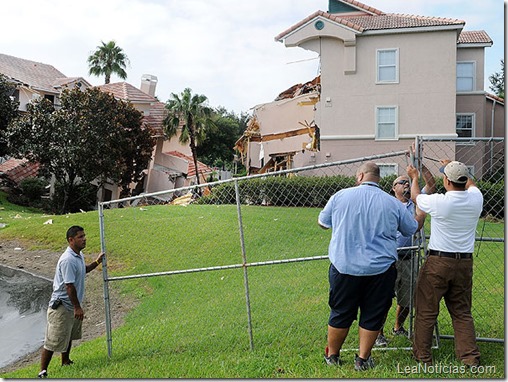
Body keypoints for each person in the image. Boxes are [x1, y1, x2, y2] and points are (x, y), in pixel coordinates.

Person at [318, 161, 425, 371]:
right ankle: (362, 359)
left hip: (344, 267)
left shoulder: (340, 196)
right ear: (379, 179)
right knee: (373, 313)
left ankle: (332, 355)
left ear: (360, 176)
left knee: (340, 312)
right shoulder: (392, 203)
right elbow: (411, 227)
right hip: (380, 270)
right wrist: (420, 213)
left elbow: (323, 223)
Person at [408, 160, 483, 366]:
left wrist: (414, 177)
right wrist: (455, 166)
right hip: (464, 263)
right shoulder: (476, 199)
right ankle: (469, 358)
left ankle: (423, 357)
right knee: (461, 311)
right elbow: (472, 185)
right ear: (465, 179)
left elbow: (416, 197)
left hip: (439, 261)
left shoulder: (441, 201)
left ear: (447, 181)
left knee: (426, 310)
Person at [375, 162, 435, 347]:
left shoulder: (418, 201)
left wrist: (421, 168)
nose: (406, 183)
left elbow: (432, 185)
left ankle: (398, 327)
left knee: (407, 299)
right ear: (393, 189)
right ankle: (378, 334)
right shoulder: (387, 204)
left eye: (407, 181)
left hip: (410, 258)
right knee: (383, 299)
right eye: (401, 182)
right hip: (390, 259)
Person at [38, 226, 104, 378]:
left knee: (68, 335)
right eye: (80, 237)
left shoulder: (78, 255)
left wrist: (96, 262)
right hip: (61, 307)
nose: (84, 239)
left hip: (72, 305)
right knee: (53, 340)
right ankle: (42, 372)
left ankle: (65, 361)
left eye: (84, 236)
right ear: (71, 240)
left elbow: (83, 270)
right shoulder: (67, 260)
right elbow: (69, 286)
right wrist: (77, 307)